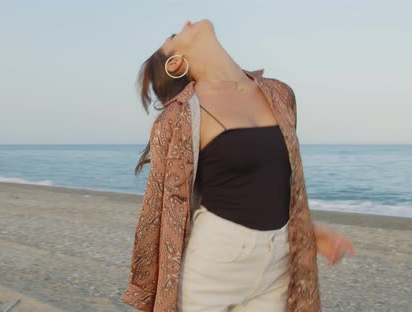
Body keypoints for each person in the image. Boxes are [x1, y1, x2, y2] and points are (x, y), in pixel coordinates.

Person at [122, 19, 355, 312]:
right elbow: (160, 210)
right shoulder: (181, 116)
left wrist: (309, 230)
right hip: (215, 266)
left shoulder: (280, 94)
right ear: (176, 62)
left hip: (278, 260)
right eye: (176, 35)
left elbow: (277, 181)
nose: (187, 23)